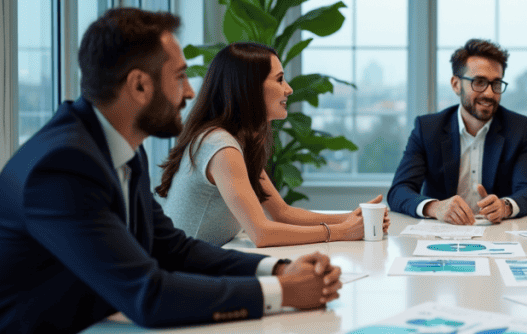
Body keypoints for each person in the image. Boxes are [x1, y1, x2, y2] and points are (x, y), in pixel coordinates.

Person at [0, 8, 342, 334]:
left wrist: (279, 268)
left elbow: (170, 248)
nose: (190, 92)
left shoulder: (119, 148)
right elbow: (147, 295)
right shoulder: (62, 166)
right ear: (139, 86)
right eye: (179, 77)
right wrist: (282, 292)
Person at [155, 42, 389, 247]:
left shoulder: (237, 142)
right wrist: (342, 232)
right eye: (279, 79)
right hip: (184, 276)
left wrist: (353, 218)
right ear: (250, 88)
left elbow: (282, 212)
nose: (288, 89)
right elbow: (261, 233)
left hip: (204, 265)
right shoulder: (221, 146)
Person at [387, 38, 527, 225]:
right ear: (456, 85)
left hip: (496, 235)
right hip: (440, 234)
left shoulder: (519, 128)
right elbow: (399, 191)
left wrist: (505, 206)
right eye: (479, 82)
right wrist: (436, 208)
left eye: (496, 84)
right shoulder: (428, 129)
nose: (490, 93)